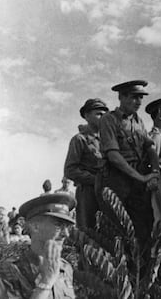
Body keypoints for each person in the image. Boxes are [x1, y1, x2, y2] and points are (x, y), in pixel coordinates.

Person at [99, 80, 159, 248]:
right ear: (121, 97)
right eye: (134, 97)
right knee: (118, 230)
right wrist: (141, 177)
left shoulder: (138, 121)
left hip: (138, 181)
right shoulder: (108, 120)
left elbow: (149, 147)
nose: (139, 102)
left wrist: (154, 172)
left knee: (143, 229)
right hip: (117, 179)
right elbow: (113, 156)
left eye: (141, 98)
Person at [0, 194, 76, 298]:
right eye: (58, 225)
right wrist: (46, 282)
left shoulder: (65, 268)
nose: (66, 234)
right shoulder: (10, 271)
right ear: (35, 227)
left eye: (67, 227)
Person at [64, 98, 109, 230]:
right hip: (87, 193)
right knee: (89, 232)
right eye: (98, 114)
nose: (102, 117)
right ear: (87, 116)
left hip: (107, 192)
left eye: (104, 114)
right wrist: (95, 180)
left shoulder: (107, 140)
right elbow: (70, 170)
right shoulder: (79, 140)